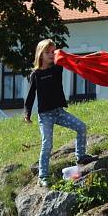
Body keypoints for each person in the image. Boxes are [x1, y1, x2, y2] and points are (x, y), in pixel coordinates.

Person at [23, 39, 94, 187]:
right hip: (45, 116)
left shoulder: (57, 69)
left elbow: (64, 61)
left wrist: (60, 55)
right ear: (40, 55)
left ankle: (80, 157)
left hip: (59, 112)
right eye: (47, 52)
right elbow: (30, 95)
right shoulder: (35, 75)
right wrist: (27, 113)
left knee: (81, 127)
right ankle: (43, 176)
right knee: (47, 143)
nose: (50, 55)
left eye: (53, 52)